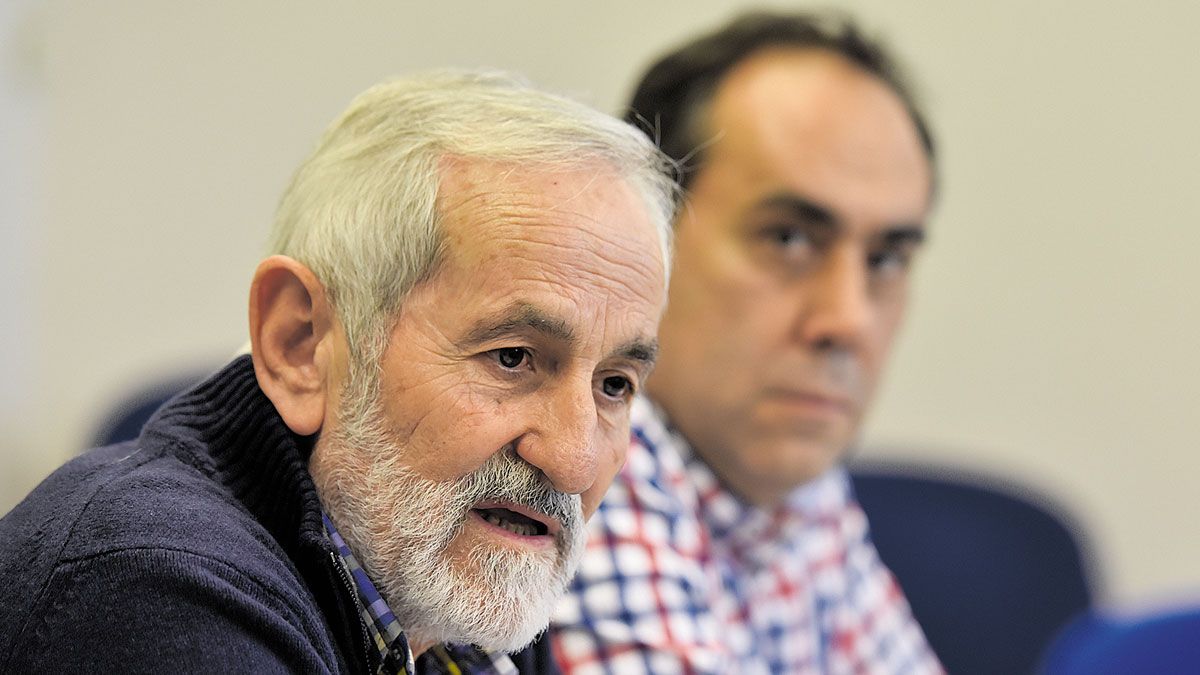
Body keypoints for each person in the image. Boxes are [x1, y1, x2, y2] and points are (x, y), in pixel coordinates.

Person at [0, 70, 676, 674]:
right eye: (512, 358)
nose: (575, 458)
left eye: (614, 384)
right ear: (300, 343)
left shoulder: (459, 597)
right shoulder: (152, 594)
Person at [550, 11, 943, 674]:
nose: (846, 319)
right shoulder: (584, 471)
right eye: (788, 238)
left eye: (885, 258)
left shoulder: (794, 486)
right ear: (645, 237)